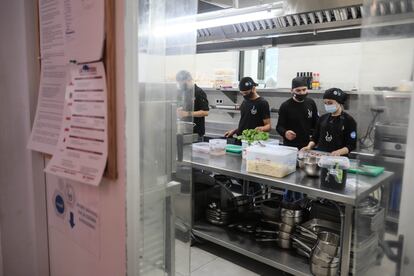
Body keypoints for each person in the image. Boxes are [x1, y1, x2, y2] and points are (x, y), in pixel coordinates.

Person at [301, 88, 357, 156]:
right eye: (325, 103)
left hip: (338, 159)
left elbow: (351, 145)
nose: (327, 105)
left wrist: (338, 152)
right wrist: (309, 147)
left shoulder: (349, 121)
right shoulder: (322, 118)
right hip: (321, 157)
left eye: (330, 103)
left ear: (339, 102)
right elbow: (315, 138)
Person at [276, 76, 318, 149]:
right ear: (292, 91)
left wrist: (314, 139)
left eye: (304, 90)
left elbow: (316, 123)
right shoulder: (285, 106)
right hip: (290, 145)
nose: (302, 93)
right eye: (298, 90)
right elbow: (279, 127)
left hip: (307, 145)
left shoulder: (311, 103)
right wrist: (285, 133)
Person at [176, 70, 209, 138]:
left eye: (183, 84)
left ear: (189, 80)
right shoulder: (183, 92)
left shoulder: (199, 92)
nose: (181, 86)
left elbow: (205, 112)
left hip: (196, 132)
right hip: (184, 130)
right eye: (180, 84)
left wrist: (187, 113)